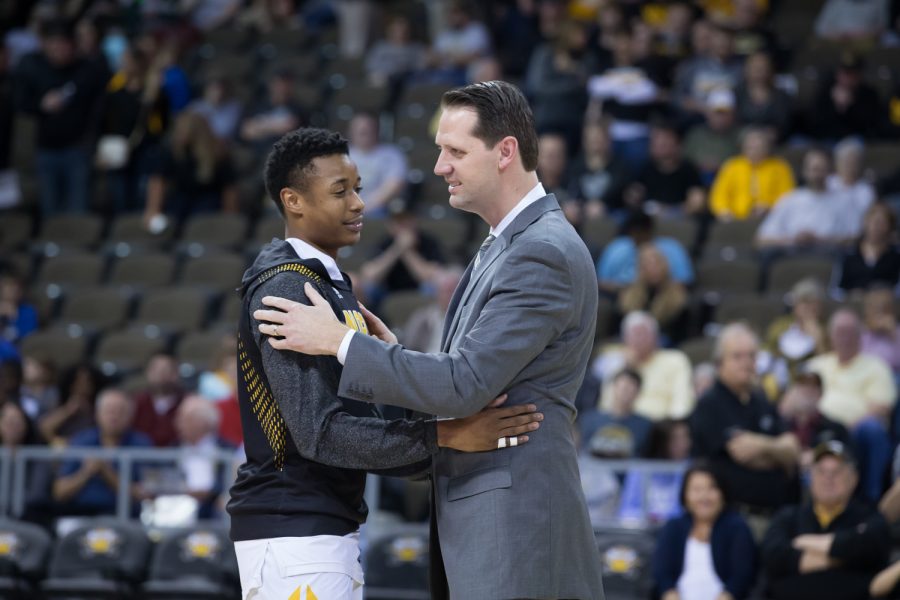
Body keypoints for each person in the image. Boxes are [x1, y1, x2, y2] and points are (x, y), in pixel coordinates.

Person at [254, 81, 605, 599]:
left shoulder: (541, 252)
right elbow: (472, 374)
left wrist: (339, 342)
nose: (440, 165)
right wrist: (396, 353)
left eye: (455, 151)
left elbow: (463, 384)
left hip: (518, 523)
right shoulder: (508, 243)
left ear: (506, 151)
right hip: (494, 515)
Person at [689, 322, 801, 513]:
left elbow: (793, 449)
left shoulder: (761, 399)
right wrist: (778, 455)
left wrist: (762, 445)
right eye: (737, 356)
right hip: (733, 515)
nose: (747, 362)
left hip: (779, 511)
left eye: (752, 356)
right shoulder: (709, 404)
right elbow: (743, 454)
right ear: (719, 362)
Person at [761, 440, 891, 600]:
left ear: (854, 478)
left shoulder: (870, 517)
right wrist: (846, 556)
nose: (828, 478)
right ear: (810, 478)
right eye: (821, 471)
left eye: (837, 472)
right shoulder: (788, 516)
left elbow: (871, 547)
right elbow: (775, 557)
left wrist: (803, 542)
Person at [13, 18, 108, 214]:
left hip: (78, 149)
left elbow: (100, 110)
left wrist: (94, 143)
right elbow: (20, 103)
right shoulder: (33, 66)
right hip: (46, 149)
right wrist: (41, 104)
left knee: (78, 210)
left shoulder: (87, 70)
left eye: (64, 44)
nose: (59, 49)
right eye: (54, 44)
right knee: (50, 209)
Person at [808, 309, 896, 501]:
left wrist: (846, 428)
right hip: (817, 427)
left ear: (860, 336)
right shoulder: (816, 365)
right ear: (831, 336)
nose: (844, 338)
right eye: (840, 332)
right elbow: (796, 400)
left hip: (857, 431)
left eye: (849, 332)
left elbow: (882, 407)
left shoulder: (876, 366)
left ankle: (871, 500)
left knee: (873, 429)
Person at [653, 462, 758, 600]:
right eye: (696, 489)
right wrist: (670, 594)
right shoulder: (674, 527)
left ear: (723, 492)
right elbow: (662, 573)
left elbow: (742, 576)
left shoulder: (737, 527)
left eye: (712, 488)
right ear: (685, 495)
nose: (704, 497)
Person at [53, 388, 153, 516]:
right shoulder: (81, 441)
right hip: (80, 515)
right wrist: (86, 473)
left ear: (131, 415)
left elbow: (145, 495)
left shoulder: (142, 444)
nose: (114, 416)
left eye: (121, 411)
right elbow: (59, 492)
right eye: (109, 411)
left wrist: (107, 472)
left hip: (128, 518)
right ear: (97, 414)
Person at [594, 311, 695, 421]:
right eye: (634, 335)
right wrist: (626, 367)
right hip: (623, 425)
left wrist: (672, 427)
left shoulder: (676, 360)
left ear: (656, 337)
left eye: (644, 334)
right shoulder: (616, 363)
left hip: (660, 427)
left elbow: (682, 402)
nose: (639, 340)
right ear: (624, 339)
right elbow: (606, 405)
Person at [756, 148, 855, 251]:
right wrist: (794, 240)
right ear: (804, 171)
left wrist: (819, 240)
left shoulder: (843, 200)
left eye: (821, 169)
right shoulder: (789, 199)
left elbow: (854, 239)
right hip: (792, 254)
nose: (817, 175)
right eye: (813, 169)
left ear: (830, 171)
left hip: (829, 255)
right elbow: (761, 240)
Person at [709, 127, 795, 221]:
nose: (754, 151)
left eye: (759, 147)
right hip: (735, 220)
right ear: (743, 148)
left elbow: (787, 196)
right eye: (750, 147)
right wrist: (724, 212)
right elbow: (719, 195)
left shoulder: (780, 167)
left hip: (770, 219)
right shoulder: (732, 166)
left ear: (767, 148)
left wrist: (770, 208)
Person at [778, 372, 851, 471]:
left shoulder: (835, 429)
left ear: (820, 394)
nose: (807, 392)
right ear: (793, 392)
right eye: (803, 387)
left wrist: (818, 455)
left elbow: (848, 460)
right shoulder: (778, 425)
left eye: (813, 388)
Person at [618, 244, 689, 343]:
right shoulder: (629, 296)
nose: (652, 269)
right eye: (647, 265)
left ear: (665, 265)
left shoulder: (677, 297)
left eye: (656, 264)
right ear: (640, 269)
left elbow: (678, 334)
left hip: (665, 343)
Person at [579, 368, 654, 458]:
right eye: (623, 387)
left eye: (631, 388)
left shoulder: (645, 425)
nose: (626, 392)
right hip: (594, 470)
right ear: (613, 387)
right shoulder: (589, 419)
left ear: (638, 392)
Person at [346, 111, 407, 218]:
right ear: (351, 131)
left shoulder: (392, 154)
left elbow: (394, 185)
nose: (362, 132)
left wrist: (365, 208)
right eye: (359, 130)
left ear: (376, 130)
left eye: (366, 130)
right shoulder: (340, 155)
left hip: (379, 211)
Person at [837, 202, 900, 294]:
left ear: (890, 227)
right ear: (865, 222)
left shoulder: (896, 257)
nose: (876, 227)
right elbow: (837, 290)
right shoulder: (848, 254)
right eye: (873, 221)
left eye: (882, 223)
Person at [131, 353, 184, 447]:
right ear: (148, 372)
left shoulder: (188, 404)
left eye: (167, 370)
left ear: (176, 373)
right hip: (141, 457)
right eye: (157, 370)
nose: (161, 374)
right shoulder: (136, 403)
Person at [861, 286, 900, 374]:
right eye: (874, 308)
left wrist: (893, 335)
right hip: (866, 377)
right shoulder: (861, 333)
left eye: (884, 308)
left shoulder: (896, 332)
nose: (879, 314)